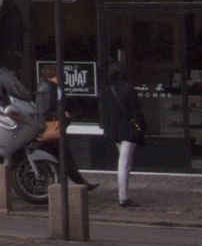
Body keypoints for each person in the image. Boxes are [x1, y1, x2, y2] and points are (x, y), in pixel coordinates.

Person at [33, 63, 94, 191]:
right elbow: (45, 111)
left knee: (63, 156)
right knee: (64, 156)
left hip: (55, 128)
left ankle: (75, 182)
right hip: (53, 129)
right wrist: (61, 113)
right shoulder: (48, 88)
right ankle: (76, 183)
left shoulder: (53, 87)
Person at [98, 64, 147, 208]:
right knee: (124, 164)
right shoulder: (129, 90)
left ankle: (124, 195)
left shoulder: (107, 91)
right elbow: (136, 112)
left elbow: (105, 113)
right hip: (128, 130)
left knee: (125, 162)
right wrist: (143, 127)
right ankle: (123, 197)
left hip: (115, 130)